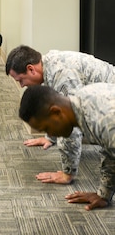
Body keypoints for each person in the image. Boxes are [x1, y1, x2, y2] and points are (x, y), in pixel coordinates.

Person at [5, 45, 115, 184]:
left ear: (31, 69)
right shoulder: (49, 65)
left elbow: (70, 122)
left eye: (21, 80)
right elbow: (53, 110)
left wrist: (67, 172)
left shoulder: (62, 75)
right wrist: (51, 137)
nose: (21, 85)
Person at [19, 83, 115, 211]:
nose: (50, 135)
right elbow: (110, 152)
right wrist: (104, 194)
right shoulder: (82, 97)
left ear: (56, 112)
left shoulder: (103, 122)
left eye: (47, 128)